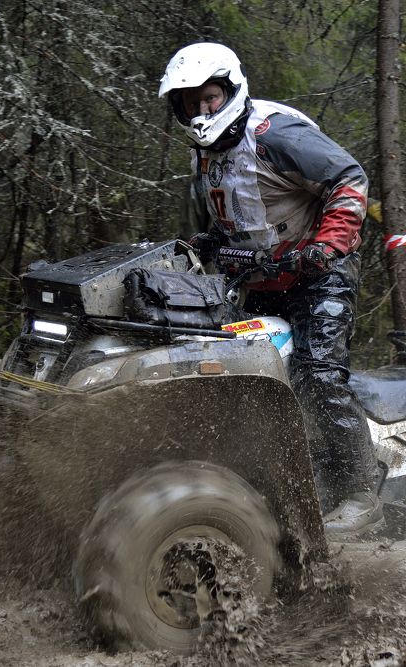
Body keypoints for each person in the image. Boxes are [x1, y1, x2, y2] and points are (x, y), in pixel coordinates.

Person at [159, 42, 382, 537]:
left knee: (318, 376)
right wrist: (209, 240)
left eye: (210, 98)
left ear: (231, 90)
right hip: (260, 278)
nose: (201, 110)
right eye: (190, 102)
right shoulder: (205, 154)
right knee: (244, 378)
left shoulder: (274, 134)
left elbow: (349, 177)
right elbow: (241, 214)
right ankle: (264, 480)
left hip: (318, 274)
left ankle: (360, 494)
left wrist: (328, 246)